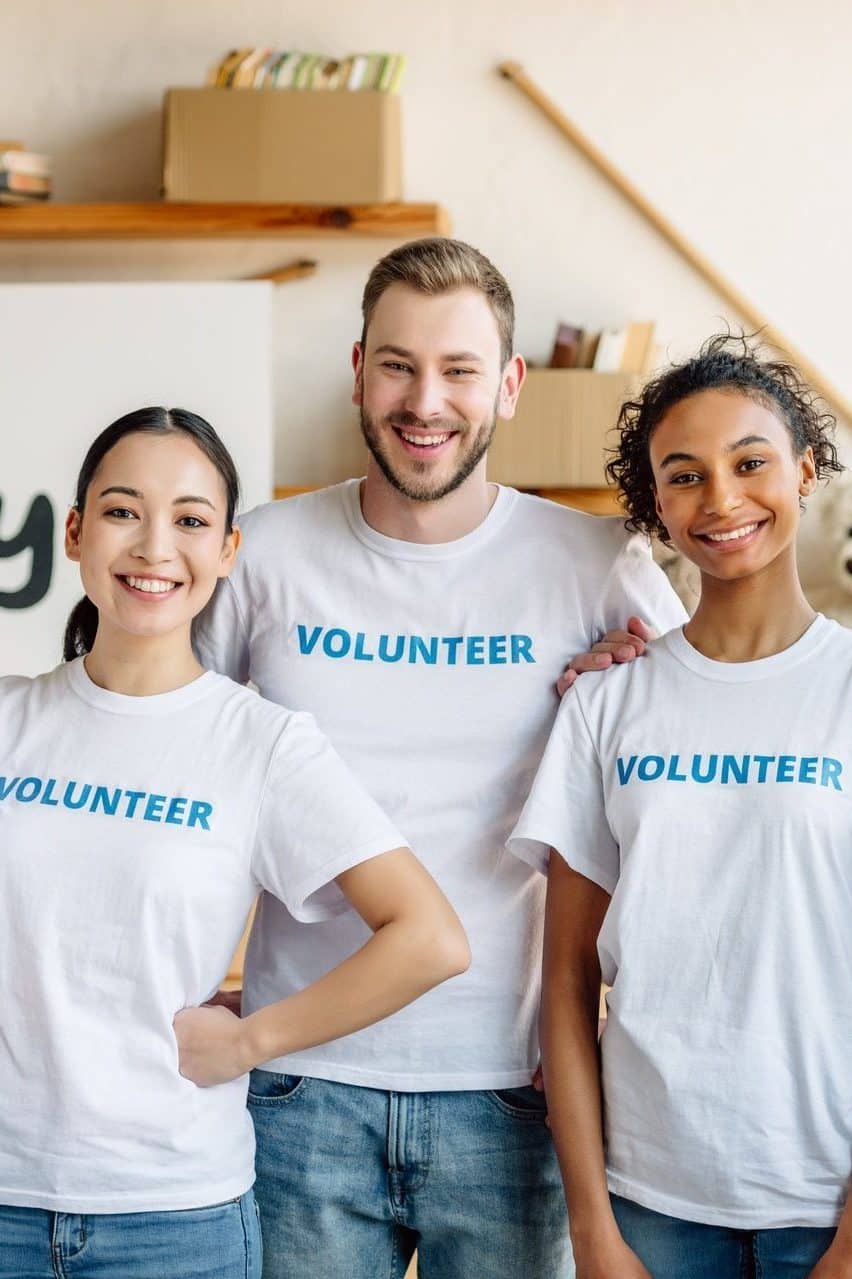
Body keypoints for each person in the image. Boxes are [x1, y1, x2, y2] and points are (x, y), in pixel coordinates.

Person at [192, 237, 687, 1279]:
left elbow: (701, 756)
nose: (427, 400)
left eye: (460, 369)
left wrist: (631, 699)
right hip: (297, 1085)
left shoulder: (598, 565)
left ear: (508, 386)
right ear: (359, 369)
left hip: (517, 1086)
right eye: (399, 366)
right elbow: (172, 756)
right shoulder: (262, 554)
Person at [509, 336, 852, 1279]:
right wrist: (592, 1227)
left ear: (803, 470)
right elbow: (563, 980)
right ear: (656, 507)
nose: (721, 498)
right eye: (684, 476)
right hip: (649, 1200)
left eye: (750, 463)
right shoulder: (608, 700)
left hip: (834, 1196)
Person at [0, 408, 469, 1279]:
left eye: (188, 520)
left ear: (226, 551)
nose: (152, 546)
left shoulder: (261, 744)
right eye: (120, 511)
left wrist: (253, 1040)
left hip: (171, 1219)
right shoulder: (8, 719)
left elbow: (429, 937)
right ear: (74, 532)